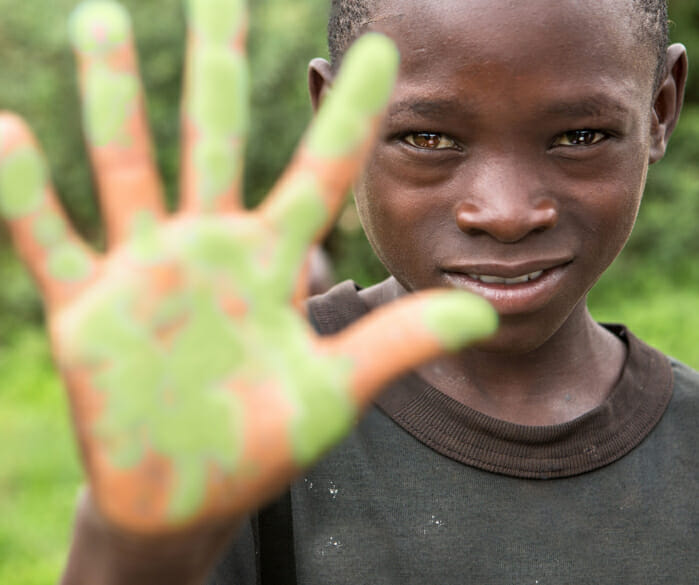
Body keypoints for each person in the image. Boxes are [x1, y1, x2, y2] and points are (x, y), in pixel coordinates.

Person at [0, 0, 695, 583]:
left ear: (660, 108)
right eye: (428, 137)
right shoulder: (243, 404)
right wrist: (134, 549)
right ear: (336, 116)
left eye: (580, 135)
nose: (506, 211)